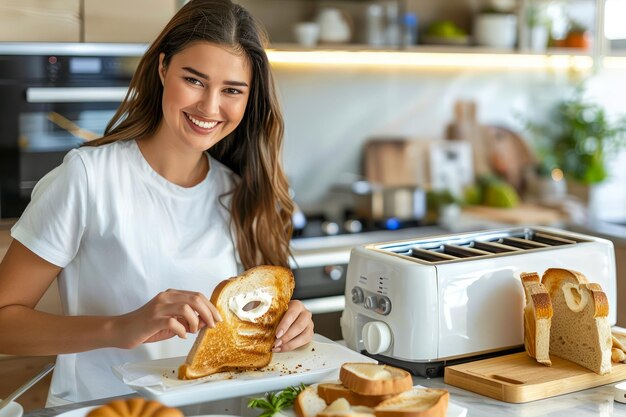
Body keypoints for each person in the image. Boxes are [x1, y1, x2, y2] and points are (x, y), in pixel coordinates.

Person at [0, 0, 313, 406]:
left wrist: (290, 327)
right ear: (163, 68)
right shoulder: (88, 178)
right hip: (107, 412)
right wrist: (120, 328)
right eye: (195, 80)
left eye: (232, 90)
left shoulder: (241, 193)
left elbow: (247, 333)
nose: (210, 107)